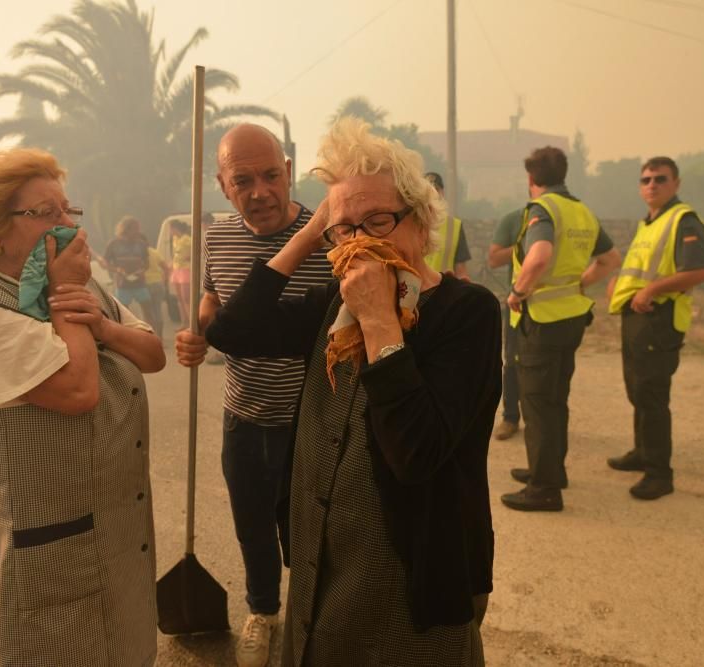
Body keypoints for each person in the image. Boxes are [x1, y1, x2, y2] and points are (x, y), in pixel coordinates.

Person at [180, 118, 500, 666]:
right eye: (344, 230)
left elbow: (417, 452)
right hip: (324, 570)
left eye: (377, 220)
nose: (359, 242)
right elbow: (232, 332)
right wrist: (308, 236)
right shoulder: (333, 305)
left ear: (421, 225)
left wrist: (380, 321)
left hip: (411, 580)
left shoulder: (464, 312)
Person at [0, 148, 166, 665]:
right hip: (50, 544)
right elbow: (77, 391)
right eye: (46, 213)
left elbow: (152, 354)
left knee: (125, 649)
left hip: (117, 526)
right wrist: (68, 298)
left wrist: (103, 325)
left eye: (68, 210)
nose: (67, 225)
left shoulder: (79, 284)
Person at [174, 123, 332, 667]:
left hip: (311, 417)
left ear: (289, 170)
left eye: (271, 175)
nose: (260, 190)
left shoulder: (327, 234)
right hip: (242, 412)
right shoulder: (215, 237)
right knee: (252, 526)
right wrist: (198, 333)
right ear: (223, 185)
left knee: (312, 529)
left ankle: (314, 621)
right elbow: (211, 298)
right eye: (243, 180)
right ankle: (264, 613)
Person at [500, 146, 622, 512]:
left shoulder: (543, 210)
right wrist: (580, 283)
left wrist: (518, 292)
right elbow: (611, 260)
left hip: (542, 320)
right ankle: (551, 469)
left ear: (531, 179)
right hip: (571, 317)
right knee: (555, 398)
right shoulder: (582, 210)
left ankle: (544, 488)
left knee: (536, 403)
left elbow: (539, 257)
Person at [606, 156, 704, 500]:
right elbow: (641, 270)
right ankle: (642, 452)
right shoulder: (649, 224)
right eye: (646, 179)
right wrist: (618, 287)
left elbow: (701, 271)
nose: (652, 185)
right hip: (637, 318)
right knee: (637, 390)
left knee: (652, 395)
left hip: (659, 319)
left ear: (676, 183)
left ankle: (659, 473)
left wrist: (652, 290)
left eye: (660, 179)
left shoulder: (684, 220)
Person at [487, 208, 525, 440]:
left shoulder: (568, 218)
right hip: (517, 303)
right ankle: (510, 417)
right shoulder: (515, 219)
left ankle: (545, 422)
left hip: (556, 306)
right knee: (511, 361)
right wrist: (524, 245)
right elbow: (494, 259)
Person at [104, 215, 160, 331]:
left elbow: (146, 263)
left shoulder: (141, 244)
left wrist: (142, 270)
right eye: (135, 229)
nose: (138, 232)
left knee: (148, 311)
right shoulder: (113, 244)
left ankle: (153, 335)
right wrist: (117, 270)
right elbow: (105, 263)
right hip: (122, 284)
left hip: (140, 283)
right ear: (126, 229)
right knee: (123, 315)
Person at [423, 172, 471, 279]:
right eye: (429, 190)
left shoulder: (455, 226)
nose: (433, 194)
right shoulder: (409, 224)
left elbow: (461, 270)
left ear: (442, 193)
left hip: (445, 291)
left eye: (436, 189)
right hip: (416, 291)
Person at [168, 219, 192, 329]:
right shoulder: (175, 239)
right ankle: (184, 322)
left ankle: (192, 322)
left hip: (185, 270)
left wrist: (189, 257)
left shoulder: (187, 239)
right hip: (176, 269)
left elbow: (197, 251)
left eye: (170, 229)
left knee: (186, 298)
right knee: (179, 298)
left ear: (175, 228)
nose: (170, 231)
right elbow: (175, 254)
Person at [144, 237, 170, 340]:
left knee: (148, 313)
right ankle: (160, 337)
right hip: (157, 284)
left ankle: (151, 337)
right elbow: (166, 267)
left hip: (145, 285)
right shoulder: (154, 252)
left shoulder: (138, 254)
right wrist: (164, 280)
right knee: (158, 311)